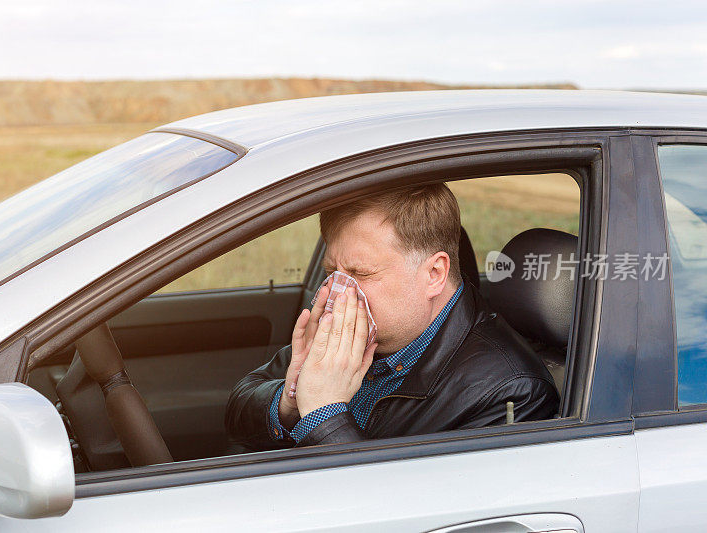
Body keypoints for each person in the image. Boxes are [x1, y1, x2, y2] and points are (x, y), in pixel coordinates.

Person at [225, 183, 559, 451]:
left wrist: (325, 415)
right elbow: (238, 406)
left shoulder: (511, 393)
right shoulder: (363, 329)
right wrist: (290, 400)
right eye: (331, 271)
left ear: (434, 273)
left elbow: (406, 513)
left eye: (361, 273)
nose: (339, 292)